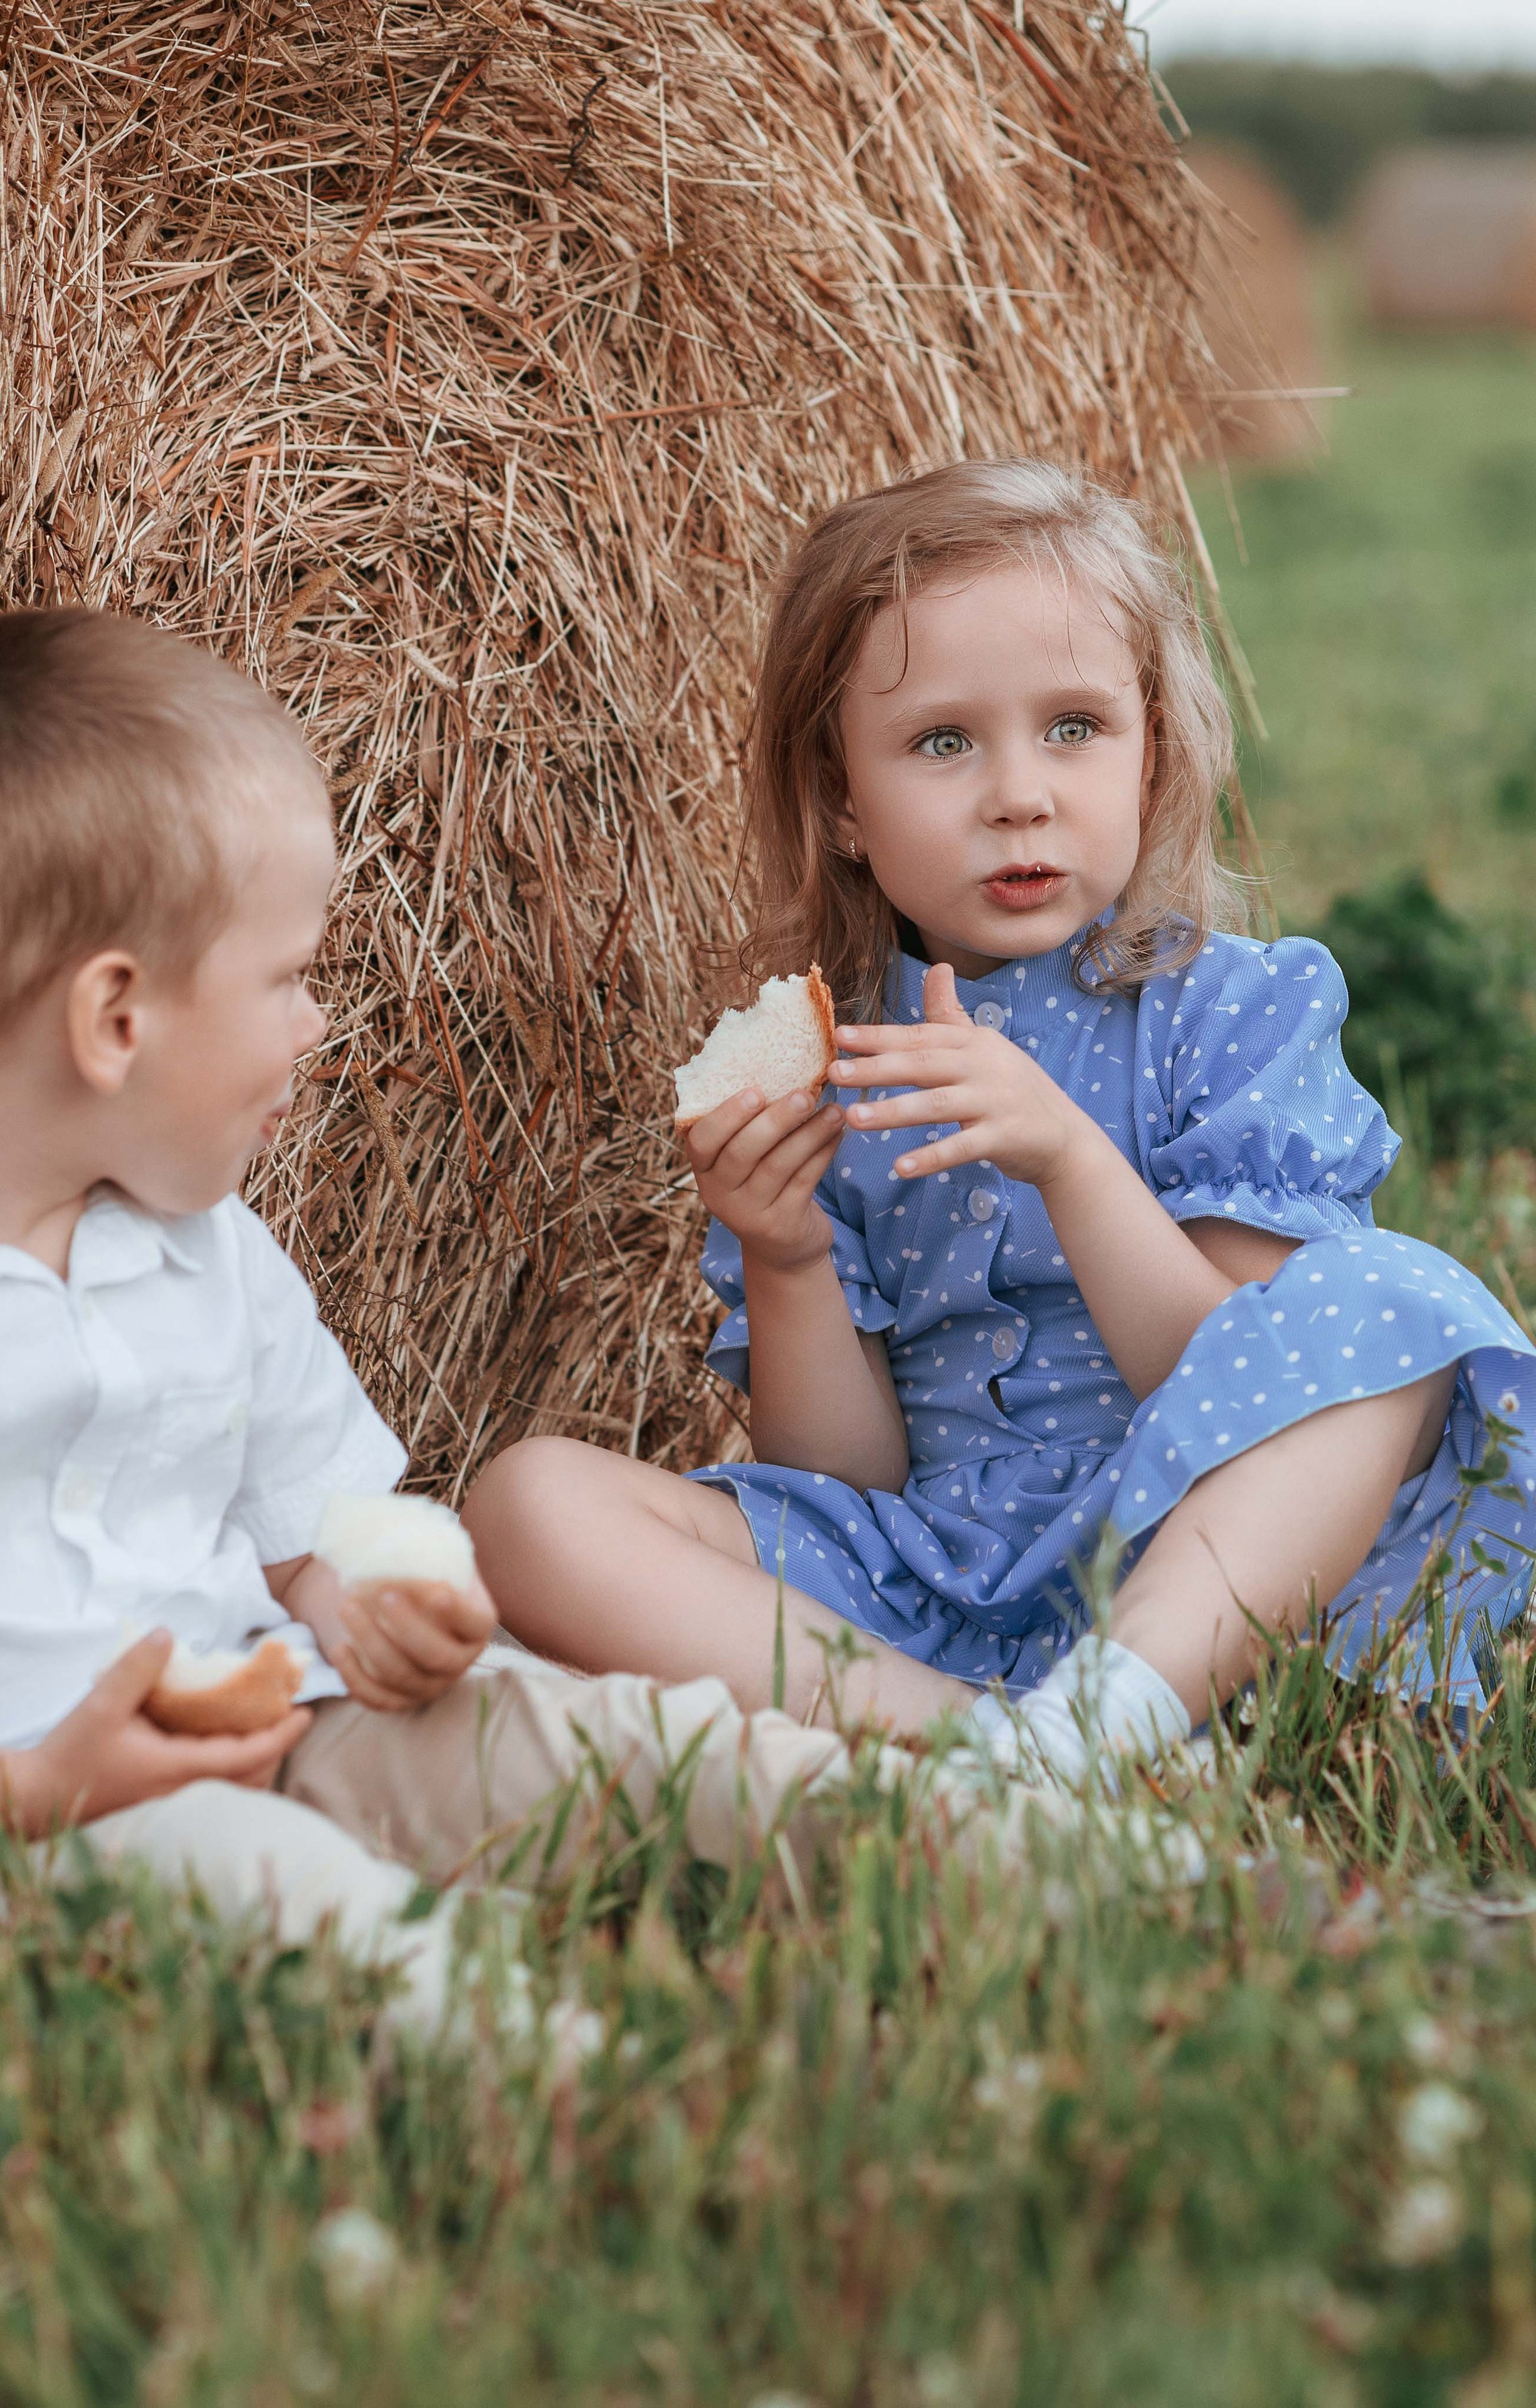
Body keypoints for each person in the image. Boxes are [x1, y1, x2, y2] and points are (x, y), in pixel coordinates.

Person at [467, 458, 1536, 1782]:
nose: (1018, 792)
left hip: (1201, 1561)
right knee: (527, 1505)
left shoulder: (1227, 1014)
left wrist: (1069, 1158)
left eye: (1074, 727)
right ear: (843, 802)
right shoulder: (832, 1070)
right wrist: (788, 1256)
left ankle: (1122, 1707)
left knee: (1388, 1303)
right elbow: (841, 1480)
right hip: (929, 1575)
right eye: (942, 743)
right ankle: (993, 1750)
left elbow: (1246, 1377)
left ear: (1152, 755)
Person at [0, 608, 886, 2033]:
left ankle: (1020, 1856)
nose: (318, 1025)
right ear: (115, 1021)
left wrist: (387, 1600)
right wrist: (30, 1787)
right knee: (296, 1907)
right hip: (17, 1827)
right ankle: (582, 2094)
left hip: (290, 1714)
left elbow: (320, 1527)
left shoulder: (212, 1256)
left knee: (609, 1747)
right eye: (288, 979)